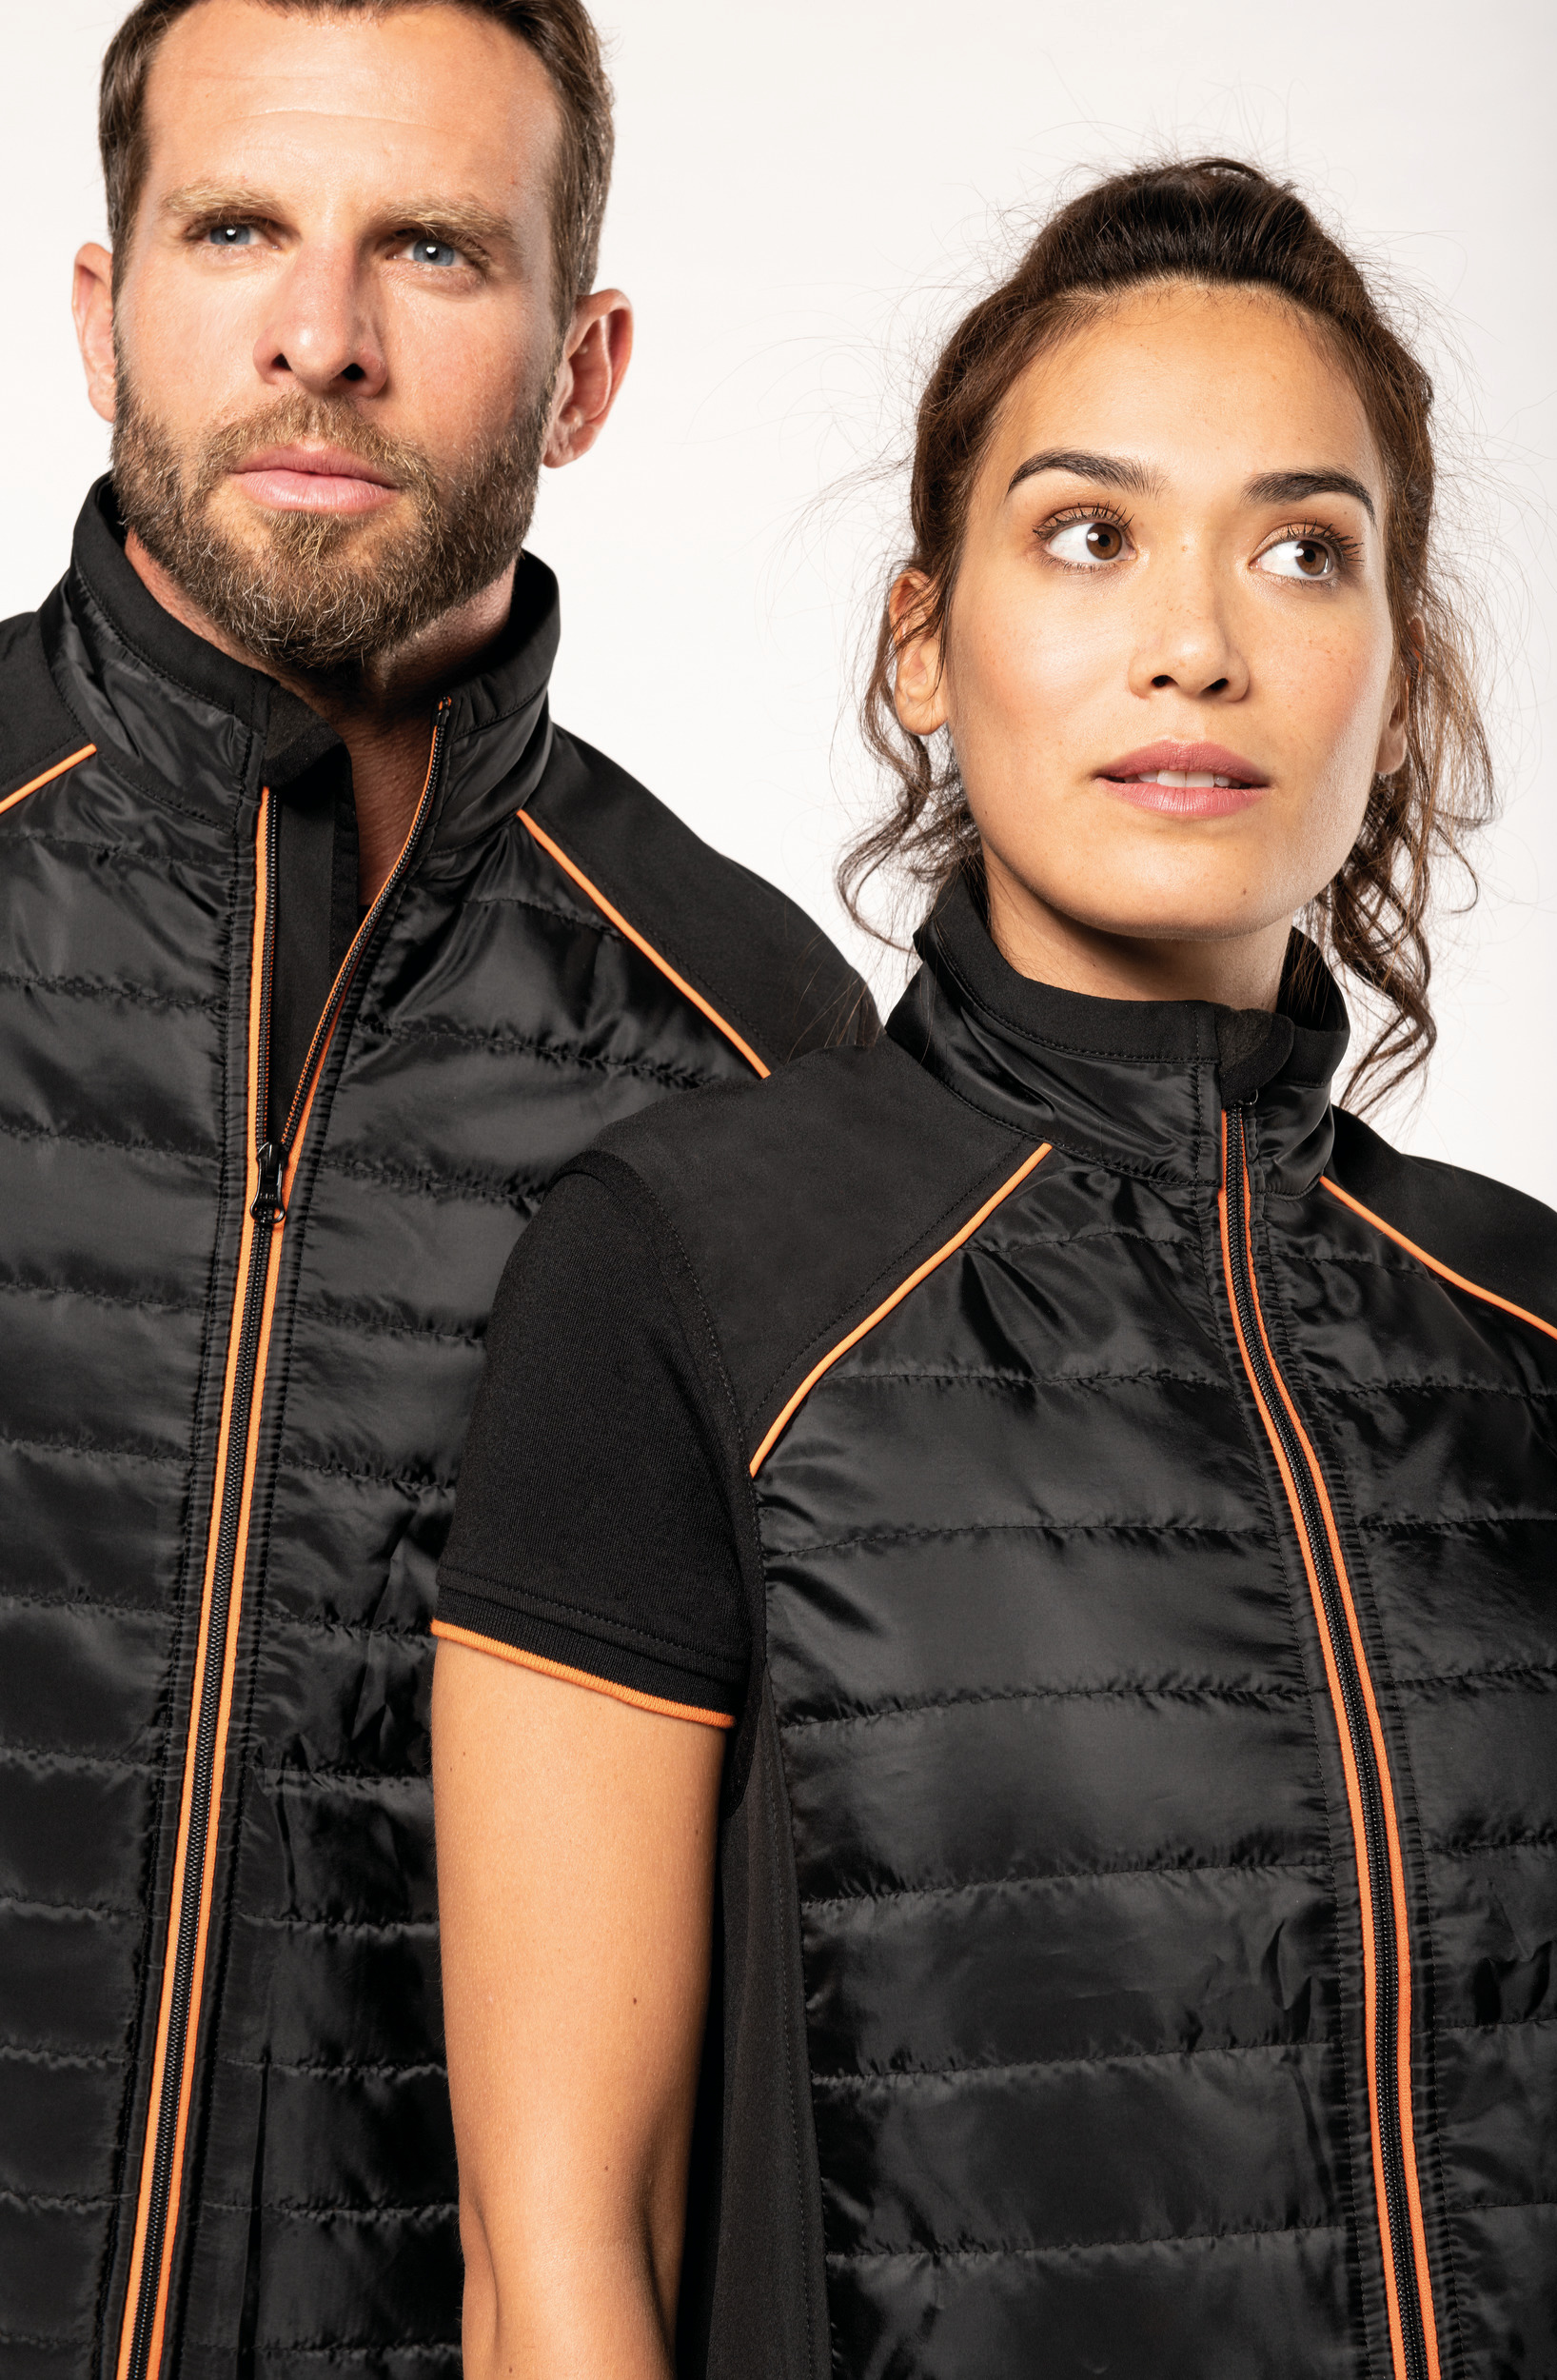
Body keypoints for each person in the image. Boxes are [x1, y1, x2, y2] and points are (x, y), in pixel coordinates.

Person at [433, 158, 1557, 2379]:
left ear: (1392, 672)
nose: (1194, 641)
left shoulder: (1536, 1332)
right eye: (1085, 534)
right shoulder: (691, 1272)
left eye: (1300, 548)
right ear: (920, 644)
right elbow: (555, 2254)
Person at [0, 2, 875, 2372]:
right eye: (234, 230)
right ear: (98, 315)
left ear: (582, 369)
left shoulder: (755, 1055)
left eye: (432, 249)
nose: (322, 334)